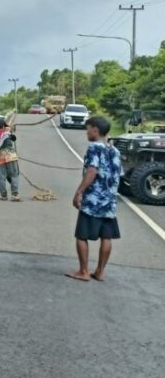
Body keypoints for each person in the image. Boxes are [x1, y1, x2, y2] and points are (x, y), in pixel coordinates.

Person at [66, 117, 121, 282]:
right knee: (107, 236)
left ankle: (83, 271)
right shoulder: (115, 151)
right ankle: (100, 272)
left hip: (93, 200)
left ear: (95, 130)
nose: (86, 132)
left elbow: (92, 171)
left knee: (81, 235)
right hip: (110, 201)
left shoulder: (94, 148)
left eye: (88, 128)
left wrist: (79, 192)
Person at [0, 116, 20, 201]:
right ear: (3, 125)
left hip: (0, 156)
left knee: (1, 177)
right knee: (14, 175)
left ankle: (4, 196)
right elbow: (13, 134)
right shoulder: (7, 132)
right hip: (10, 155)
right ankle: (15, 195)